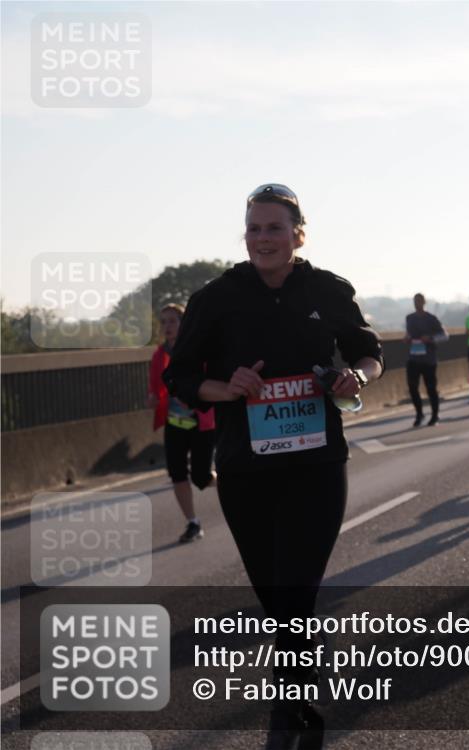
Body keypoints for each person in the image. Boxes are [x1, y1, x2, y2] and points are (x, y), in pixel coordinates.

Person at [163, 183, 383, 749]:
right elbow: (180, 376)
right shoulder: (216, 298)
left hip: (317, 465)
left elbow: (370, 353)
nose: (263, 238)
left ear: (298, 235)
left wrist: (355, 377)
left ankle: (288, 709)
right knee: (275, 598)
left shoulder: (328, 289)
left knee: (297, 591)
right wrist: (227, 387)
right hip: (246, 470)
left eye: (275, 228)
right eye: (254, 228)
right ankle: (300, 680)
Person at [147, 303, 215, 544]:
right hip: (175, 423)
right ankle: (193, 523)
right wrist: (153, 398)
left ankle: (233, 487)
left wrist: (194, 397)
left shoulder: (198, 350)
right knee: (177, 474)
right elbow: (155, 387)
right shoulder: (159, 355)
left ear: (184, 323)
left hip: (200, 422)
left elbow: (210, 381)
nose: (167, 326)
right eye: (163, 322)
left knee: (201, 477)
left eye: (172, 321)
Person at [405, 293, 448, 427]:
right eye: (415, 301)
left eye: (419, 301)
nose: (416, 303)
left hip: (429, 360)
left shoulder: (431, 318)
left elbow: (445, 335)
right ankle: (419, 414)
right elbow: (408, 334)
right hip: (413, 358)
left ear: (424, 302)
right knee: (412, 388)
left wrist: (430, 338)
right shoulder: (409, 318)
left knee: (431, 388)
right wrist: (407, 338)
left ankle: (435, 415)